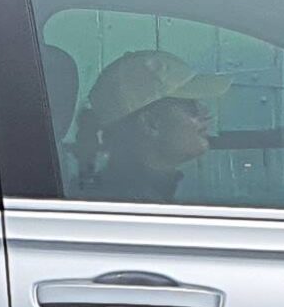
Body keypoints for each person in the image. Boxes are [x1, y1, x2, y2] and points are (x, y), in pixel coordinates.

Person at [70, 47, 234, 202]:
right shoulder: (130, 205)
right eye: (191, 106)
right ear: (151, 123)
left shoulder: (130, 195)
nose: (206, 114)